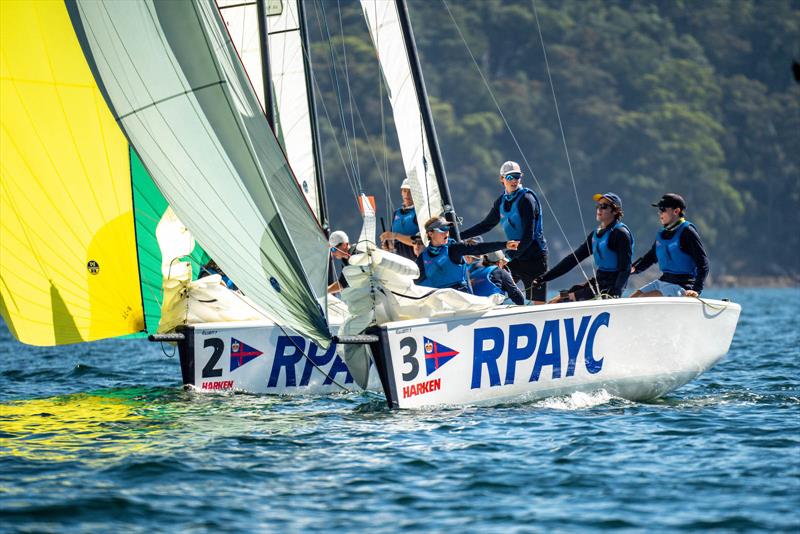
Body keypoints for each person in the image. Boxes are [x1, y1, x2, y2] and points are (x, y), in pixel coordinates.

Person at [461, 161, 548, 303]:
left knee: (537, 303)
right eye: (509, 177)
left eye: (517, 176)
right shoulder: (501, 201)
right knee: (498, 285)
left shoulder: (527, 199)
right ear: (502, 179)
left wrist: (508, 257)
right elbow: (485, 226)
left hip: (534, 257)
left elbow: (529, 236)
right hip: (516, 257)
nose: (514, 180)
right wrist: (459, 235)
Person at [533, 192, 634, 302]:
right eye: (598, 206)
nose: (599, 209)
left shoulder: (620, 233)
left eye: (604, 206)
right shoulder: (596, 234)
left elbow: (626, 268)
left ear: (615, 211)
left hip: (610, 287)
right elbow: (573, 259)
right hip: (599, 281)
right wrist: (544, 278)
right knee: (555, 300)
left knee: (563, 301)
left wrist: (616, 292)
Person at [630, 193, 709, 298]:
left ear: (676, 211)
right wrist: (633, 269)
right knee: (633, 298)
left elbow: (703, 264)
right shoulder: (662, 234)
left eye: (663, 209)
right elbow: (650, 258)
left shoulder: (687, 231)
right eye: (659, 210)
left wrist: (696, 290)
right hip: (663, 281)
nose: (659, 213)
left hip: (682, 286)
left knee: (642, 299)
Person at [417, 216, 518, 293]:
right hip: (440, 300)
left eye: (448, 229)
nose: (446, 233)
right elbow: (417, 281)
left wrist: (505, 244)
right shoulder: (423, 257)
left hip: (461, 298)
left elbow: (478, 248)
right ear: (430, 234)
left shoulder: (454, 248)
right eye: (442, 230)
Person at [379, 179, 419, 260]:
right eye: (405, 191)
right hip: (398, 260)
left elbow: (418, 242)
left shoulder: (419, 213)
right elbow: (393, 241)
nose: (407, 194)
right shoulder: (396, 213)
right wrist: (387, 244)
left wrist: (395, 235)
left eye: (410, 191)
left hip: (414, 260)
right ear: (401, 192)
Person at [327, 230, 356, 294]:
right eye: (330, 249)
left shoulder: (356, 254)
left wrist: (323, 291)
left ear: (344, 245)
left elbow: (342, 284)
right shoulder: (346, 260)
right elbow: (342, 283)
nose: (332, 252)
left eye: (333, 249)